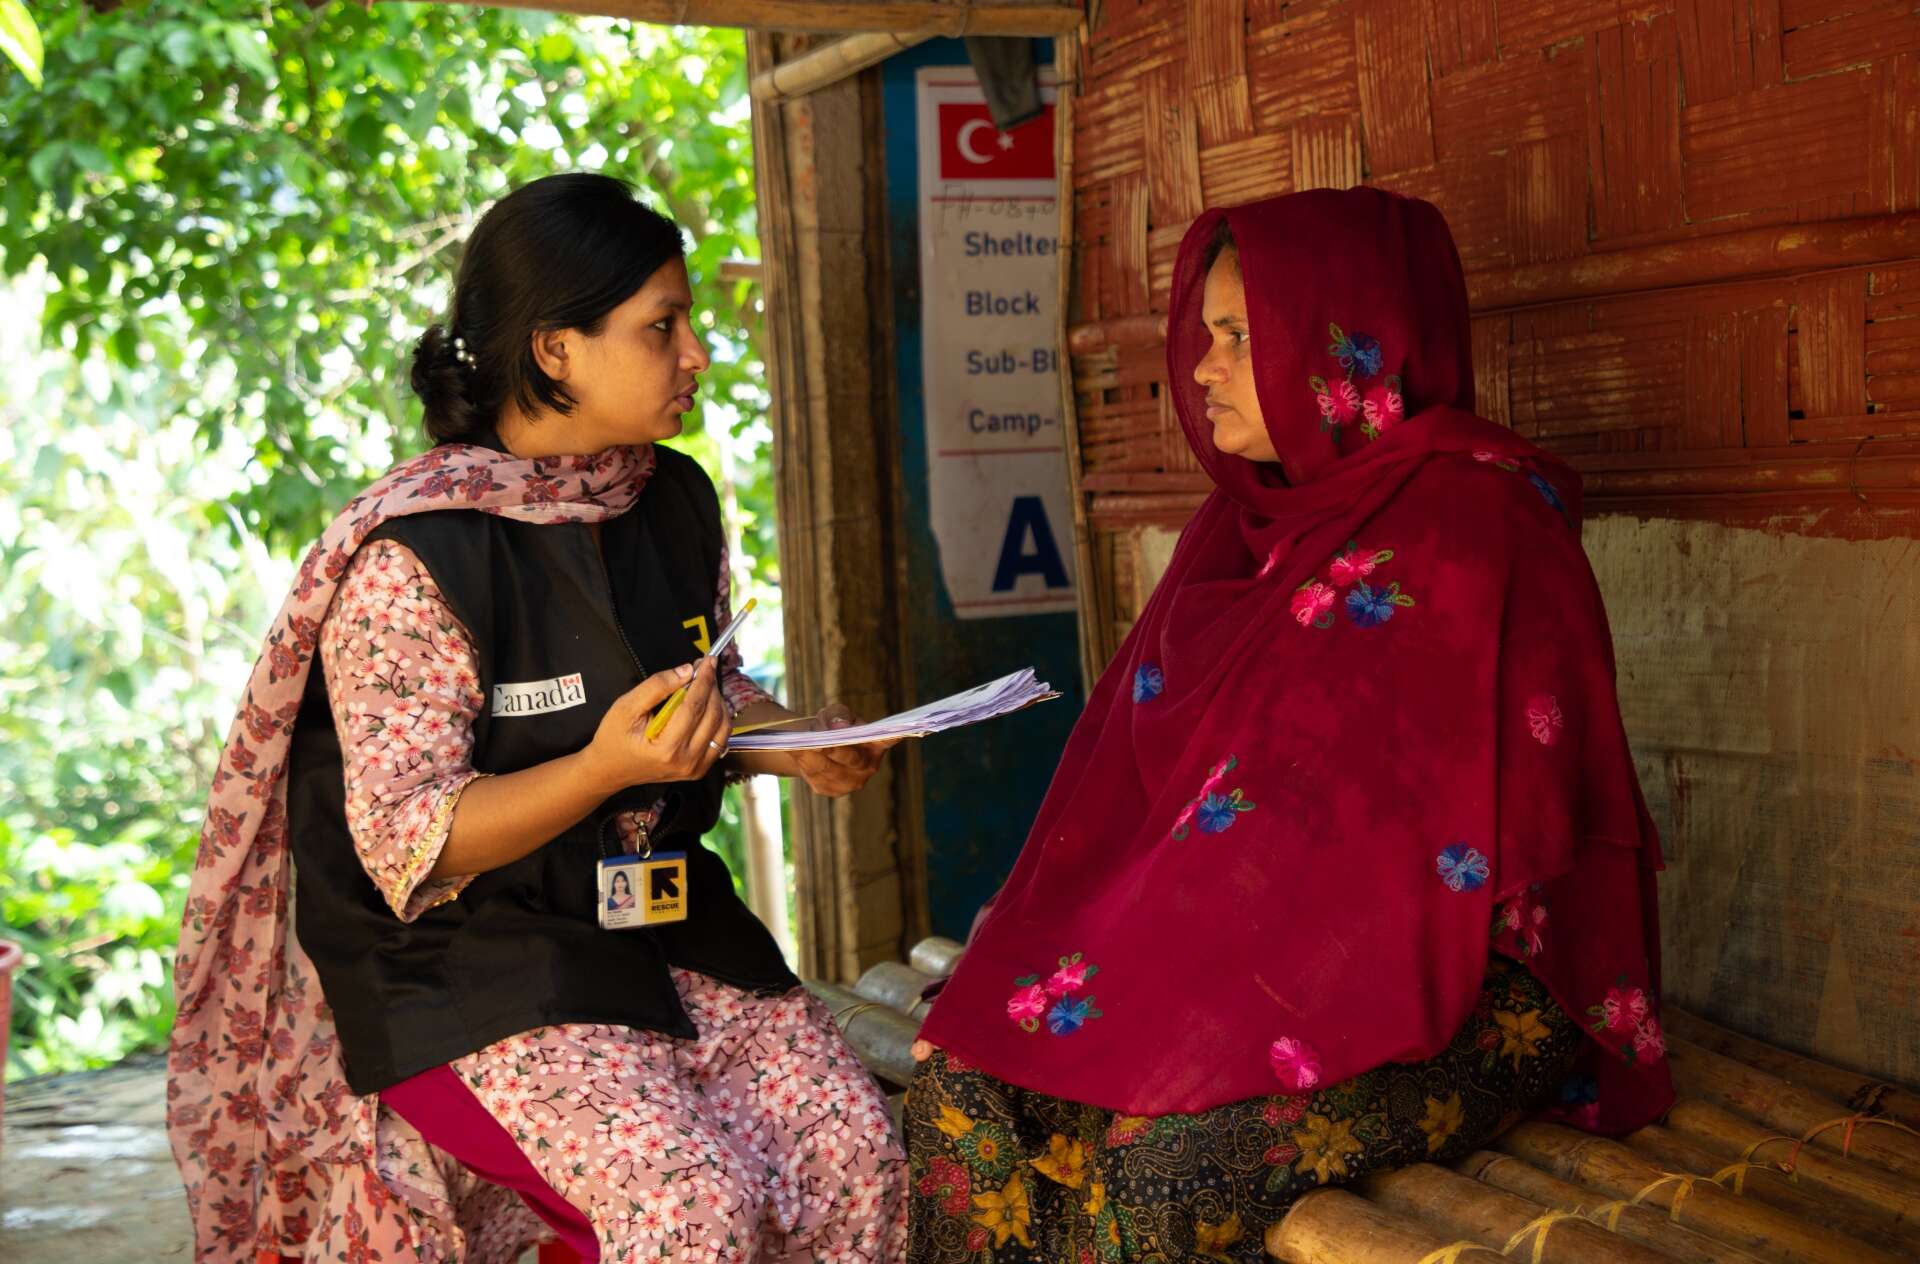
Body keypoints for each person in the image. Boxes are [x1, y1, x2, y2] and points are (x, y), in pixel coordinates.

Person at [904, 187, 1674, 1262]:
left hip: (1469, 986)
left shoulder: (1477, 528)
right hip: (1248, 960)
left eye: (1237, 337)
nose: (1203, 367)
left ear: (1349, 345)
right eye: (1205, 335)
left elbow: (1406, 870)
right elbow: (1167, 822)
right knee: (962, 1087)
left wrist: (1194, 1020)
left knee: (1161, 1161)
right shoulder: (1241, 529)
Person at [167, 173, 907, 1263]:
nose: (697, 353)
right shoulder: (417, 555)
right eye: (662, 327)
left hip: (655, 918)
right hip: (467, 961)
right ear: (555, 349)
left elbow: (707, 679)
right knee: (685, 1209)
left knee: (856, 1155)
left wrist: (793, 739)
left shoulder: (670, 497)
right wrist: (606, 767)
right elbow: (412, 835)